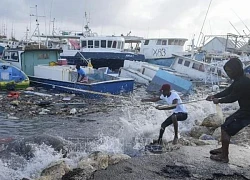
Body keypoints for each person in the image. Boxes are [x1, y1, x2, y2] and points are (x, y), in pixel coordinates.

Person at [206, 58, 250, 163]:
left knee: (225, 127)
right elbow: (228, 91)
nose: (228, 74)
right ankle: (223, 149)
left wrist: (218, 100)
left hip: (248, 112)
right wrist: (214, 95)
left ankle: (224, 156)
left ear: (236, 70)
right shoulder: (240, 80)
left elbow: (232, 98)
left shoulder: (242, 83)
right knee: (226, 123)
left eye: (229, 71)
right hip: (245, 109)